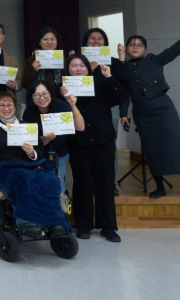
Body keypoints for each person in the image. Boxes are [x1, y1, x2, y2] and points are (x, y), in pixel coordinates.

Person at [0, 92, 71, 238]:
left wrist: (32, 153)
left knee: (50, 179)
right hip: (4, 170)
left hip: (29, 167)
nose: (6, 108)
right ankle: (26, 222)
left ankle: (56, 223)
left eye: (9, 105)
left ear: (15, 107)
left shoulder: (26, 126)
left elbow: (40, 152)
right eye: (2, 105)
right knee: (24, 178)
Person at [62, 53, 128, 242]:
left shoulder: (101, 82)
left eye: (81, 65)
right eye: (73, 66)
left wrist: (109, 76)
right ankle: (83, 225)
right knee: (81, 182)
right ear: (68, 69)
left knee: (105, 183)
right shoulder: (63, 88)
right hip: (78, 142)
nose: (78, 69)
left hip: (102, 140)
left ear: (88, 68)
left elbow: (120, 97)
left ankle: (108, 226)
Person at [119, 36, 180, 198]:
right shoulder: (123, 68)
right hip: (142, 113)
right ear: (126, 48)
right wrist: (123, 114)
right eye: (132, 45)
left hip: (163, 109)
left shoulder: (154, 60)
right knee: (151, 150)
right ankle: (160, 187)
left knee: (175, 144)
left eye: (139, 45)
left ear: (145, 49)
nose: (135, 47)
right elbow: (124, 94)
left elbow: (173, 51)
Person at [76, 27, 129, 195]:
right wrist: (88, 71)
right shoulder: (78, 62)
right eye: (92, 38)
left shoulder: (111, 61)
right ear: (85, 42)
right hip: (82, 110)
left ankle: (109, 183)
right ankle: (89, 184)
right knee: (86, 148)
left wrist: (121, 58)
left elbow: (122, 84)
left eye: (100, 39)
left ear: (105, 42)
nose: (96, 41)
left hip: (108, 109)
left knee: (108, 146)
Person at [21, 80, 85, 195]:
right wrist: (46, 138)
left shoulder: (61, 105)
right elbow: (33, 143)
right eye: (37, 95)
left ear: (50, 93)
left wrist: (73, 106)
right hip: (39, 155)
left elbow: (80, 127)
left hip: (60, 153)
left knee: (58, 183)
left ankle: (61, 203)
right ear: (31, 97)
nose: (42, 98)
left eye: (45, 94)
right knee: (40, 185)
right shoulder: (29, 113)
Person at [21, 27, 63, 93]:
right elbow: (25, 84)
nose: (49, 42)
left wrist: (72, 59)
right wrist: (34, 71)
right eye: (45, 39)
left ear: (57, 41)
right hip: (40, 96)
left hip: (60, 97)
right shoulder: (31, 60)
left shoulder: (64, 60)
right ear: (39, 42)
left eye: (52, 39)